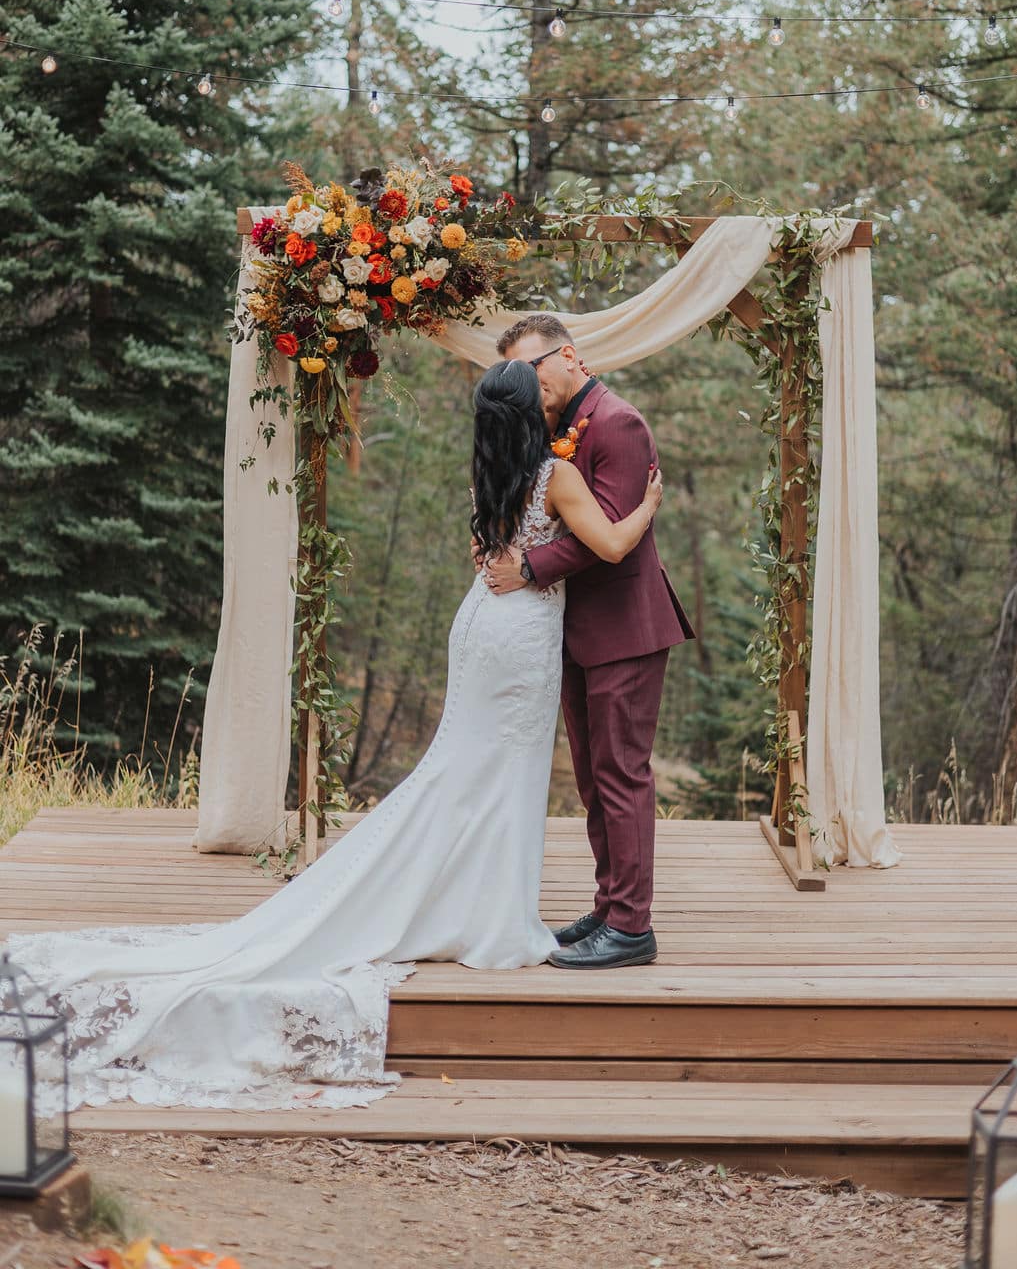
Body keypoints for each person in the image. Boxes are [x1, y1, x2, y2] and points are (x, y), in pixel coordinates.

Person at [3, 358, 662, 1115]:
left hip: (483, 623)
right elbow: (610, 548)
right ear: (528, 413)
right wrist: (647, 505)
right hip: (521, 637)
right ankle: (490, 916)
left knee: (464, 767)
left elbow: (495, 552)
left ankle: (471, 901)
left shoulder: (495, 473)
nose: (554, 400)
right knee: (498, 773)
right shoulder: (559, 474)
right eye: (541, 394)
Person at [485, 314, 694, 970]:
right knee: (591, 781)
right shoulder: (558, 428)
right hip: (574, 631)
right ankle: (609, 905)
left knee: (621, 776)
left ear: (567, 356)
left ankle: (632, 927)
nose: (525, 381)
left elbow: (604, 535)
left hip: (625, 627)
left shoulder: (618, 422)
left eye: (530, 367)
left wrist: (527, 569)